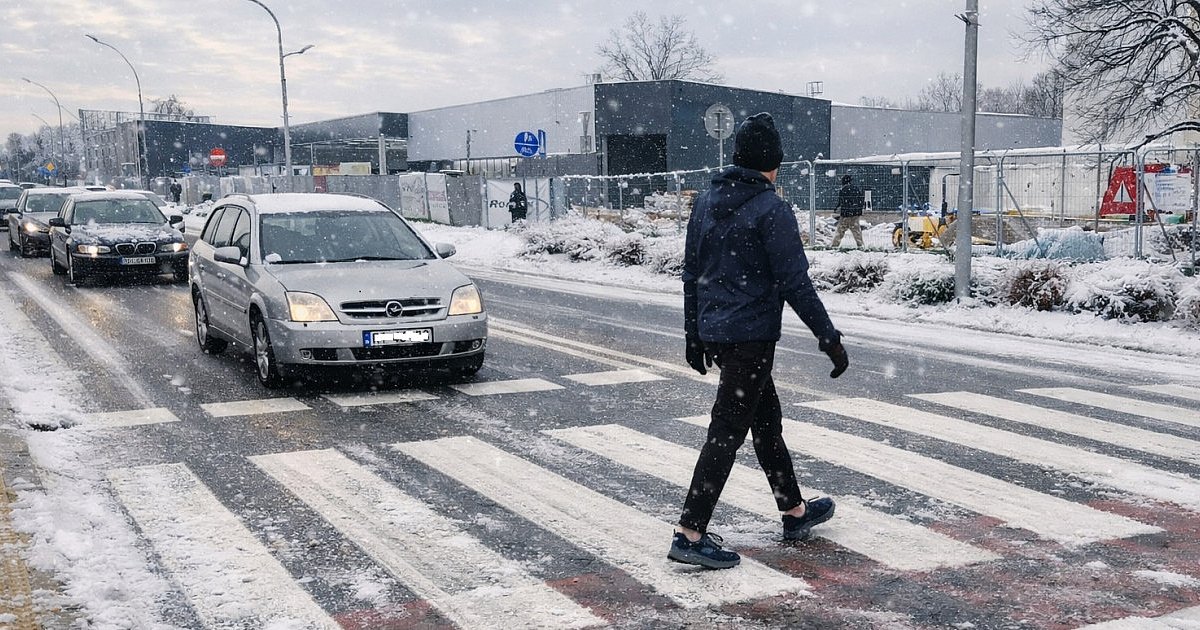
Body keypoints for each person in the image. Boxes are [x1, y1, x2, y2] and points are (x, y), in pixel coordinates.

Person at [672, 112, 849, 570]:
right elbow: (795, 283)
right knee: (726, 432)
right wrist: (828, 337)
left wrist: (694, 333)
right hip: (751, 337)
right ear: (773, 164)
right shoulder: (772, 209)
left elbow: (692, 272)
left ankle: (793, 511)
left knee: (765, 422)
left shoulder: (708, 200)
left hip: (720, 334)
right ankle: (690, 534)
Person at [830, 174, 865, 249]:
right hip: (855, 214)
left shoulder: (843, 190)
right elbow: (861, 200)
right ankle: (861, 245)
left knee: (840, 231)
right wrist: (859, 210)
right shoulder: (856, 189)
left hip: (846, 214)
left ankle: (834, 246)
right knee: (857, 231)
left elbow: (841, 202)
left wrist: (836, 209)